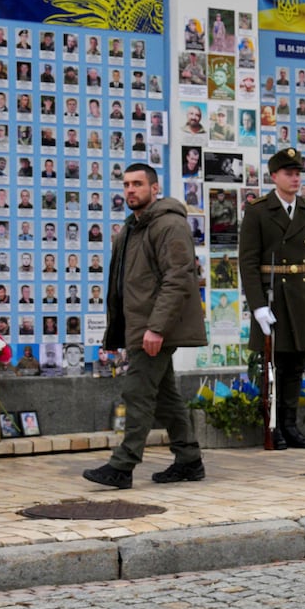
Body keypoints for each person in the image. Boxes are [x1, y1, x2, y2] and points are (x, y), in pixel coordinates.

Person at [84, 162, 207, 489]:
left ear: (154, 188)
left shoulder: (168, 225)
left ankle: (122, 466)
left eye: (137, 184)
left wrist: (156, 328)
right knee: (165, 396)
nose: (130, 190)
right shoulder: (132, 227)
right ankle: (189, 460)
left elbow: (178, 278)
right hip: (140, 325)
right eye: (126, 184)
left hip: (155, 328)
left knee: (137, 391)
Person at [238, 147, 305, 450]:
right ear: (274, 176)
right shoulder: (258, 210)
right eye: (288, 173)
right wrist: (258, 306)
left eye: (298, 173)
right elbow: (247, 263)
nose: (295, 178)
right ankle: (272, 425)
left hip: (300, 296)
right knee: (273, 366)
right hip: (272, 296)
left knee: (296, 366)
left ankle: (290, 426)